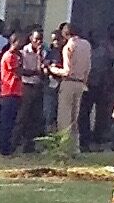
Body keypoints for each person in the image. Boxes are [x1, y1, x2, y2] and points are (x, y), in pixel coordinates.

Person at [50, 22, 90, 154]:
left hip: (69, 82)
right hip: (81, 83)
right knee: (75, 117)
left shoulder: (69, 46)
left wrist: (53, 69)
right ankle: (75, 148)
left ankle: (64, 148)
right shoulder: (86, 45)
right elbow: (88, 67)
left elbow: (67, 71)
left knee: (64, 117)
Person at [17, 26, 46, 154]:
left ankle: (30, 145)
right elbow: (22, 71)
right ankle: (15, 143)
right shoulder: (24, 52)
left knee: (35, 118)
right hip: (26, 86)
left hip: (38, 87)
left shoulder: (43, 52)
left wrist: (39, 56)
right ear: (31, 39)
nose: (39, 42)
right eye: (36, 39)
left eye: (41, 39)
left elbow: (43, 71)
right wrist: (35, 72)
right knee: (23, 116)